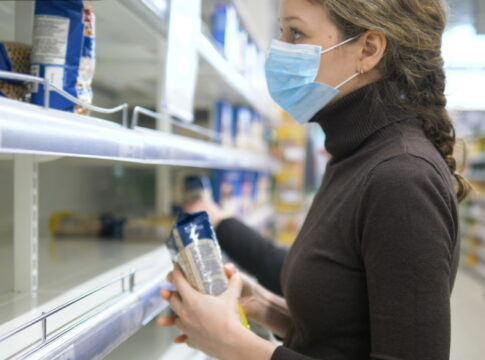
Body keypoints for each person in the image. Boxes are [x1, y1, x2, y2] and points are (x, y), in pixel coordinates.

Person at [157, 0, 472, 359]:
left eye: (296, 33)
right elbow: (343, 336)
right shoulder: (355, 154)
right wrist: (261, 305)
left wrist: (234, 344)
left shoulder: (402, 177)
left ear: (368, 49)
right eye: (281, 32)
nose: (280, 51)